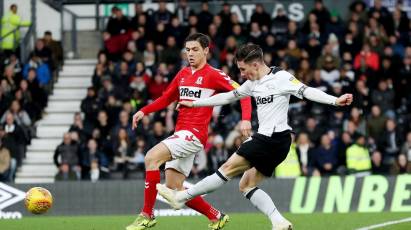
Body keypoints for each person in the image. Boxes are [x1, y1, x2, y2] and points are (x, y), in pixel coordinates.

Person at [157, 43, 353, 230]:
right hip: (278, 143)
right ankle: (279, 221)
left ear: (256, 64)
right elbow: (228, 97)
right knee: (246, 185)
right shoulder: (252, 83)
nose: (242, 74)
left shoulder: (281, 77)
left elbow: (307, 91)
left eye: (243, 69)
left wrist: (335, 100)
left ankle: (181, 197)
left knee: (226, 169)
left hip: (271, 138)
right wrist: (195, 103)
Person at [126, 33, 252, 230]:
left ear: (206, 51)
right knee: (174, 189)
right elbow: (166, 98)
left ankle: (146, 215)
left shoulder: (214, 74)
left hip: (193, 134)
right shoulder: (183, 74)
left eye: (195, 50)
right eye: (187, 50)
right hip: (181, 133)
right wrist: (143, 111)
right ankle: (216, 216)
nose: (190, 54)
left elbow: (243, 93)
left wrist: (245, 119)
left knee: (151, 158)